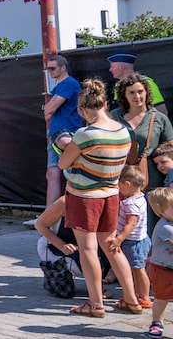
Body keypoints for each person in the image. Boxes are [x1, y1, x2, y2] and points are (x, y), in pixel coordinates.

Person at [58, 78, 142, 317]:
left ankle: (95, 305)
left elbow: (64, 163)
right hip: (111, 195)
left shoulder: (85, 134)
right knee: (112, 247)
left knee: (88, 250)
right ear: (105, 104)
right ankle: (132, 299)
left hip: (84, 197)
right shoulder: (123, 131)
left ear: (82, 109)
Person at [109, 166, 152, 309]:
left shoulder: (132, 203)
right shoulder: (139, 197)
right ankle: (135, 295)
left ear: (127, 184)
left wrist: (119, 238)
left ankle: (144, 298)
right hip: (140, 239)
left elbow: (130, 224)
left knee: (138, 270)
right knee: (135, 270)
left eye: (119, 185)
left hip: (134, 242)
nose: (118, 189)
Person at [45, 55, 82, 208]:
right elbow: (47, 112)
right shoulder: (58, 87)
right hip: (55, 135)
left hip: (69, 132)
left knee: (72, 174)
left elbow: (50, 109)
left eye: (53, 68)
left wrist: (49, 107)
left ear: (63, 67)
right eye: (48, 69)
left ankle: (74, 210)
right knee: (52, 174)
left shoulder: (69, 83)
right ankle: (49, 215)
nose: (50, 72)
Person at [146, 187, 173, 338]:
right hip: (162, 269)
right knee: (161, 299)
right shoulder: (165, 227)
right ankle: (157, 322)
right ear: (161, 211)